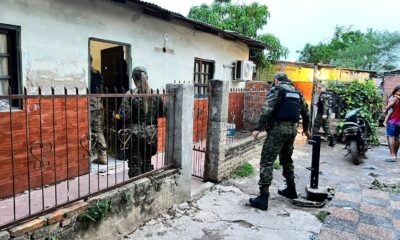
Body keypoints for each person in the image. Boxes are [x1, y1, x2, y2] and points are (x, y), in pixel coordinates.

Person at [249, 72, 310, 211]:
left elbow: (266, 110)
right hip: (292, 131)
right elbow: (306, 113)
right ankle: (291, 189)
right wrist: (306, 130)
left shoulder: (277, 90)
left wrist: (258, 128)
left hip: (277, 131)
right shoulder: (297, 92)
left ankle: (263, 198)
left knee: (267, 161)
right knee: (287, 160)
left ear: (277, 81)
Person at [116, 66, 164, 177]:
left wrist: (118, 115)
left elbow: (124, 116)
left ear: (134, 79)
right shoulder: (156, 95)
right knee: (147, 162)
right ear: (147, 77)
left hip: (134, 134)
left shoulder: (130, 95)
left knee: (135, 165)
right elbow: (161, 114)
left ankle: (137, 189)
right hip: (151, 134)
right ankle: (147, 186)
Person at [90, 59, 108, 165]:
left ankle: (102, 156)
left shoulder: (91, 74)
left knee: (96, 130)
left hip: (92, 103)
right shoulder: (97, 73)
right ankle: (101, 155)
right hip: (99, 102)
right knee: (98, 129)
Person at [384, 86, 400, 161]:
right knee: (396, 137)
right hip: (399, 122)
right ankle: (395, 155)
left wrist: (385, 108)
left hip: (392, 121)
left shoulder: (395, 98)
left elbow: (390, 105)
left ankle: (392, 155)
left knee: (390, 136)